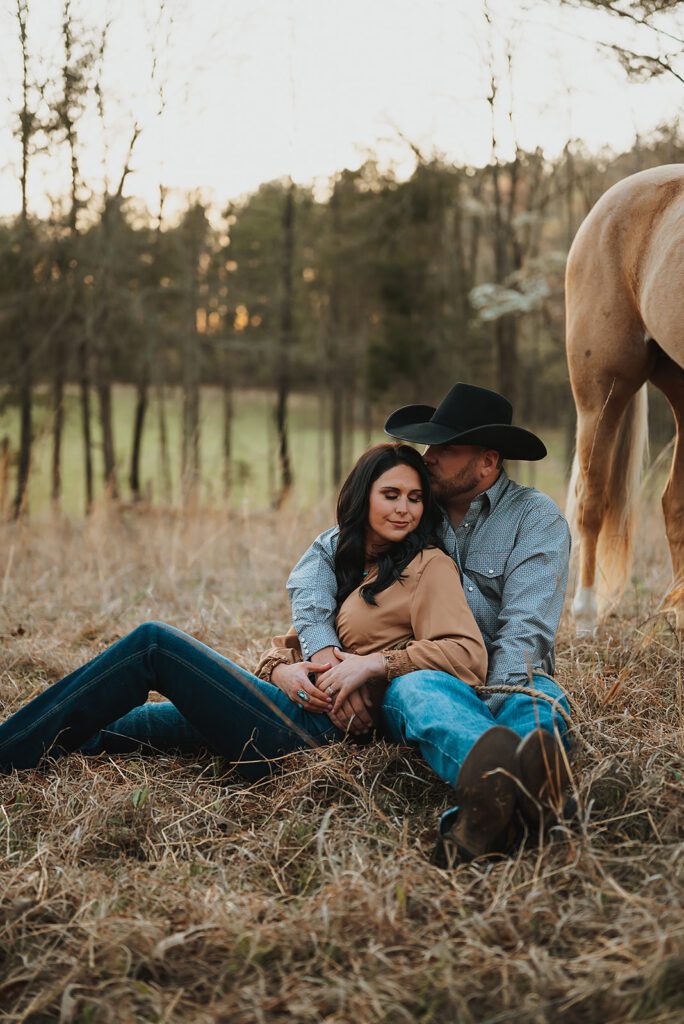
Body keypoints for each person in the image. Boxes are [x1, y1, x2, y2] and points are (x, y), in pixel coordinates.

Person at [0, 445, 488, 803]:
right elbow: (289, 645)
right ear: (364, 497)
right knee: (112, 728)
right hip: (289, 706)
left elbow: (467, 655)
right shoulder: (353, 564)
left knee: (154, 645)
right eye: (391, 494)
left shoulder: (427, 567)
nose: (404, 508)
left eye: (415, 498)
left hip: (314, 732)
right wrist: (281, 671)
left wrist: (374, 665)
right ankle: (24, 745)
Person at [288, 383, 573, 861]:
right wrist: (326, 655)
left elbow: (527, 630)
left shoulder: (535, 519)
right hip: (426, 673)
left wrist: (491, 701)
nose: (430, 456)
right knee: (419, 692)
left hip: (507, 682)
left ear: (488, 462)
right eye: (430, 444)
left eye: (446, 447)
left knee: (544, 705)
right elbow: (320, 559)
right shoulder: (413, 508)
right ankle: (529, 814)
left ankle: (485, 818)